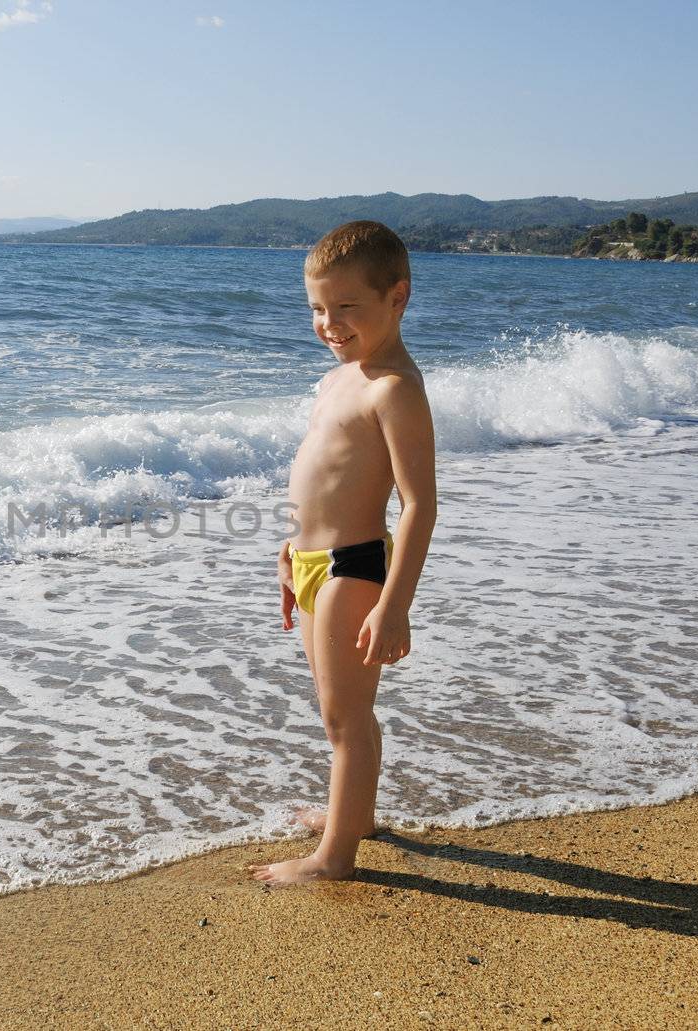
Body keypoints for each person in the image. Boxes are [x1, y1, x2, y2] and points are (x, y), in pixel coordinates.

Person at [249, 220, 437, 885]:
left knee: (345, 717)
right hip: (312, 562)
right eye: (318, 309)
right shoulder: (340, 378)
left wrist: (395, 604)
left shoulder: (394, 389)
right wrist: (290, 552)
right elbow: (326, 475)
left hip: (355, 565)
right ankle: (350, 815)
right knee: (339, 709)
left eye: (346, 307)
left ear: (398, 298)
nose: (329, 323)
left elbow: (418, 504)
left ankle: (335, 858)